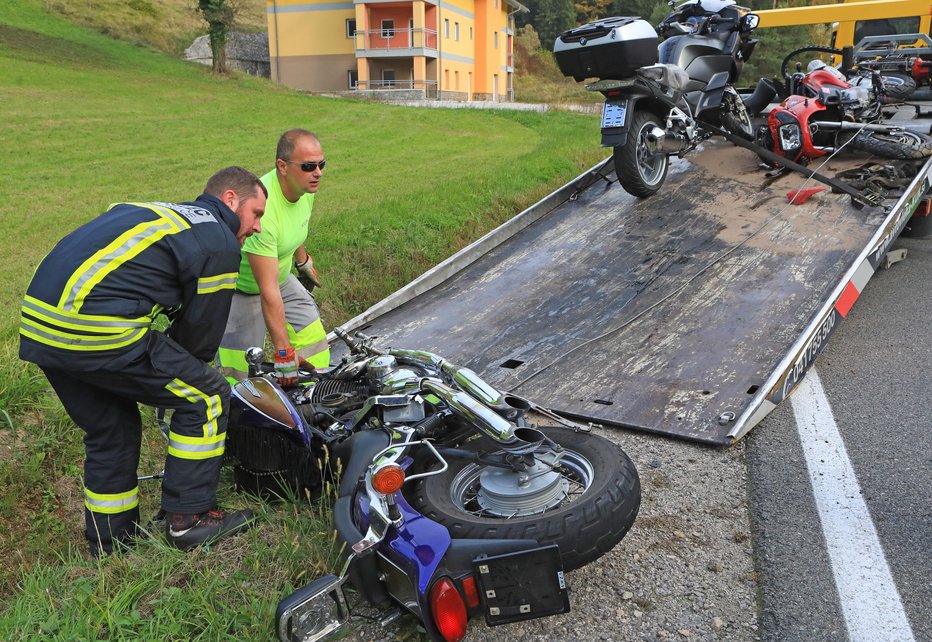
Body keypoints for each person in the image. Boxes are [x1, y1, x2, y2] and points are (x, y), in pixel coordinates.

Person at [19, 167, 267, 556]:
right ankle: (189, 520)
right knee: (207, 395)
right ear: (231, 200)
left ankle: (110, 542)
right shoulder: (219, 240)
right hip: (96, 327)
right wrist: (186, 375)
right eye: (257, 214)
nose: (255, 228)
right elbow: (198, 341)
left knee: (111, 427)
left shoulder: (165, 214)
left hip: (40, 325)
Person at [216, 129, 330, 385]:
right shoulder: (263, 211)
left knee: (314, 340)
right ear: (283, 166)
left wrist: (302, 260)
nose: (318, 172)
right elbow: (267, 291)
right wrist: (283, 352)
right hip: (243, 288)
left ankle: (314, 398)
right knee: (240, 371)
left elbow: (296, 226)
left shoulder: (303, 190)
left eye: (321, 164)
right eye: (309, 166)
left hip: (279, 275)